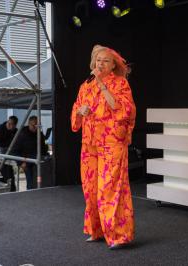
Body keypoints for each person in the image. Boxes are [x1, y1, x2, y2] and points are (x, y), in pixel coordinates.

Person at [71, 44, 136, 249]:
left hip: (111, 143)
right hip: (89, 143)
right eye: (98, 60)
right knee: (90, 189)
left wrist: (102, 85)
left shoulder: (120, 83)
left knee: (109, 189)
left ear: (113, 65)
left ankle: (118, 235)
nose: (100, 63)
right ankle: (96, 230)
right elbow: (75, 113)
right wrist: (80, 111)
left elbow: (122, 108)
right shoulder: (85, 86)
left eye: (106, 60)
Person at [12, 115, 48, 190]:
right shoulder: (21, 134)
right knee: (31, 182)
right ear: (29, 124)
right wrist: (21, 162)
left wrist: (46, 157)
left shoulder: (40, 134)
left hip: (37, 160)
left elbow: (43, 149)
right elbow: (14, 150)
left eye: (37, 125)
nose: (36, 127)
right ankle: (30, 194)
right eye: (33, 125)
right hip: (27, 161)